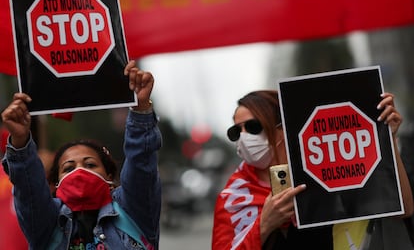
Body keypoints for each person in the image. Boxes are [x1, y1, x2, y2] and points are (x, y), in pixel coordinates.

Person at [212, 90, 414, 249]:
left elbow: (403, 207)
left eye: (253, 127)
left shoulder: (327, 168)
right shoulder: (234, 198)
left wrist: (386, 139)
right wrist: (264, 225)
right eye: (236, 131)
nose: (244, 137)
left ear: (283, 127)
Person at [1, 60, 162, 250]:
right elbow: (28, 188)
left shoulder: (133, 211)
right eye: (68, 168)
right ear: (56, 182)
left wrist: (141, 108)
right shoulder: (46, 224)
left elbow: (141, 162)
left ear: (109, 176)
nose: (79, 172)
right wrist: (20, 141)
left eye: (90, 165)